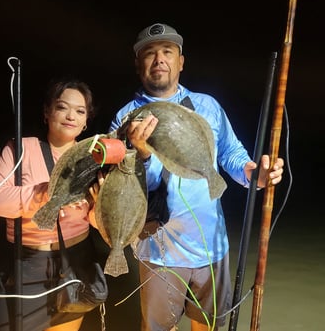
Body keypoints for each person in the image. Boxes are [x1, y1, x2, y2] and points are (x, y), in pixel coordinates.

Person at [108, 23, 285, 331]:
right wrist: (142, 154)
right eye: (150, 54)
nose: (159, 59)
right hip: (158, 249)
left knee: (208, 325)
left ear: (181, 62)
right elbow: (119, 188)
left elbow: (231, 154)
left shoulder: (207, 106)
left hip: (211, 247)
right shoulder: (125, 118)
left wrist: (254, 174)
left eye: (167, 52)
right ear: (139, 66)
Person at [0, 78, 104, 331]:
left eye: (80, 111)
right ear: (47, 112)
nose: (71, 115)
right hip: (27, 263)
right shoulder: (20, 150)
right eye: (62, 107)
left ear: (85, 123)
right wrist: (43, 193)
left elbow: (96, 223)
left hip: (77, 259)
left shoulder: (91, 159)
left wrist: (101, 204)